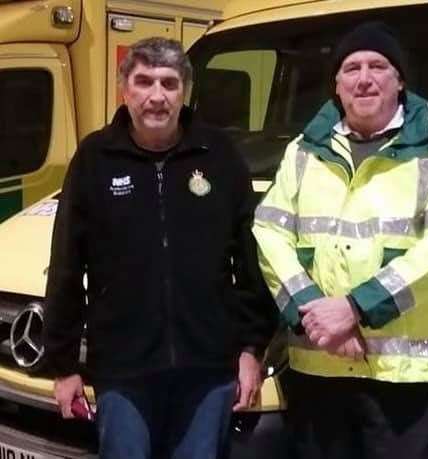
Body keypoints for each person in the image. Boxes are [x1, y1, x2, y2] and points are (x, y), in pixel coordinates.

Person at [43, 37, 277, 459]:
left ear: (184, 90)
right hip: (123, 371)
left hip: (208, 369)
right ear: (124, 89)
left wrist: (251, 349)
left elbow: (251, 260)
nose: (156, 96)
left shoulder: (219, 155)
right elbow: (65, 267)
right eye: (144, 81)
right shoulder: (95, 158)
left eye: (169, 83)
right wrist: (63, 367)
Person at [253, 21, 428, 459]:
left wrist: (354, 308)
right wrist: (316, 317)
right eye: (351, 68)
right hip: (321, 367)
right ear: (337, 85)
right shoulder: (304, 149)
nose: (364, 77)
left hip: (409, 379)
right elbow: (269, 231)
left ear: (400, 81)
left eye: (378, 65)